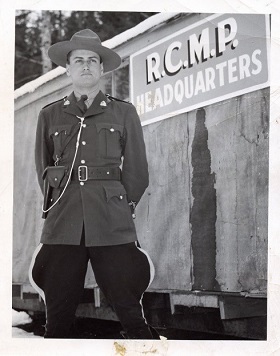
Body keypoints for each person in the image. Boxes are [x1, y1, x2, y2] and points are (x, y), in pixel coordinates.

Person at [29, 29, 158, 339]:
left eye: (92, 61)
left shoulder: (123, 112)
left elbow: (138, 171)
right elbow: (42, 169)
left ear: (101, 69)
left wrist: (123, 209)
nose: (85, 66)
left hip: (111, 220)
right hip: (63, 222)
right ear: (68, 69)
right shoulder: (49, 116)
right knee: (57, 315)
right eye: (78, 61)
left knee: (129, 309)